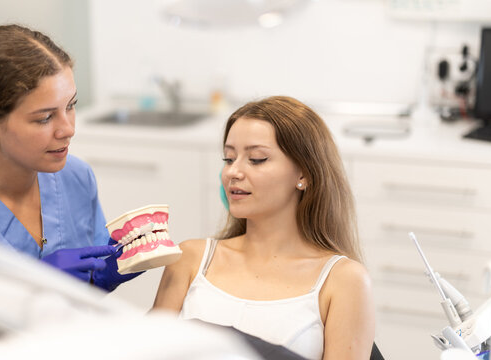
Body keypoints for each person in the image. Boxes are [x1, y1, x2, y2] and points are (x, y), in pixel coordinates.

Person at [153, 96, 375, 359]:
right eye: (229, 158)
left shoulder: (344, 281)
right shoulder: (189, 259)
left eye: (256, 159)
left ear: (303, 174)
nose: (233, 172)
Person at [0, 24, 139, 291]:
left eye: (70, 105)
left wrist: (99, 279)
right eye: (44, 118)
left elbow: (80, 299)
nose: (68, 129)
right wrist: (21, 286)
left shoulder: (77, 178)